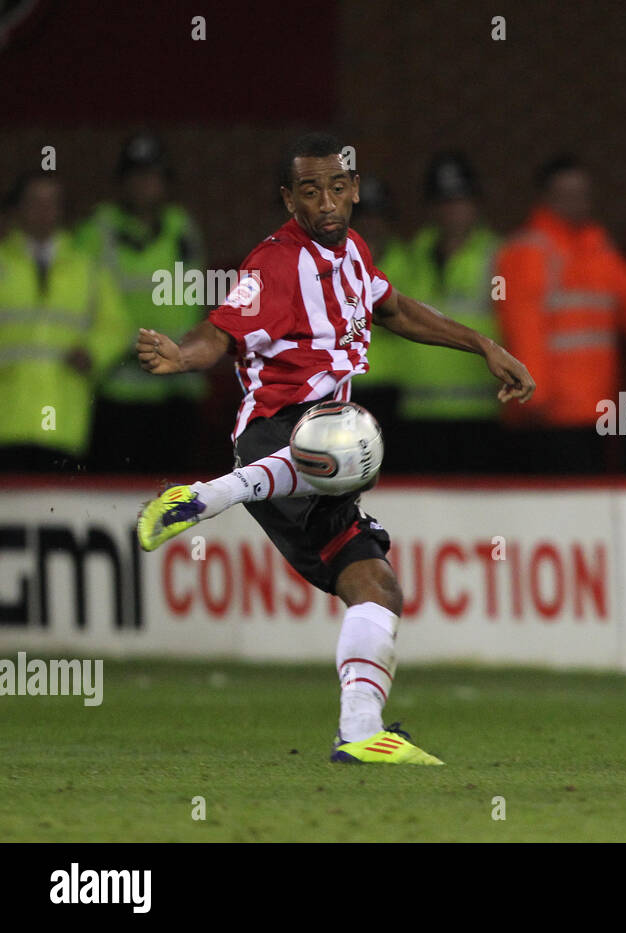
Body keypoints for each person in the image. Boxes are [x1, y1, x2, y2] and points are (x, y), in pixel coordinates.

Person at [133, 133, 535, 764]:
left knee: (375, 584)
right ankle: (211, 494)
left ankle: (359, 734)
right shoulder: (274, 263)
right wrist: (183, 355)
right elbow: (221, 330)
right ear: (289, 199)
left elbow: (395, 309)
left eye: (336, 187)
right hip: (276, 429)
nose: (326, 201)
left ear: (352, 189)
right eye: (310, 190)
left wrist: (484, 346)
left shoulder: (353, 251)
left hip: (309, 446)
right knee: (351, 438)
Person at [496, 153, 626, 473]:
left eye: (582, 194)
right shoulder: (528, 252)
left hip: (592, 416)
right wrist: (532, 398)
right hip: (544, 419)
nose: (576, 203)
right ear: (546, 198)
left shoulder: (598, 253)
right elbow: (524, 328)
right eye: (566, 194)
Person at [369, 151, 510, 473]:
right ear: (431, 208)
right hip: (416, 412)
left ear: (477, 203)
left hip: (481, 412)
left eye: (461, 200)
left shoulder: (499, 257)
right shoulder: (410, 256)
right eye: (444, 201)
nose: (453, 211)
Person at [78, 133, 208, 473]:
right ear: (122, 182)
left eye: (153, 175)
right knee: (116, 492)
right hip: (119, 388)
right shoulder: (98, 230)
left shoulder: (182, 228)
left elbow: (196, 298)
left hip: (175, 389)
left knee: (173, 495)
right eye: (137, 176)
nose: (145, 185)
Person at [0, 172, 126, 471]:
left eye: (51, 203)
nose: (43, 211)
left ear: (62, 211)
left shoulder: (88, 269)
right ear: (17, 209)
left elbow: (117, 326)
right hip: (7, 418)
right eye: (34, 202)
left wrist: (93, 351)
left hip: (65, 419)